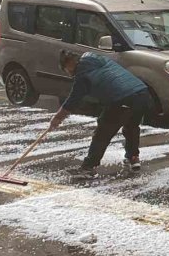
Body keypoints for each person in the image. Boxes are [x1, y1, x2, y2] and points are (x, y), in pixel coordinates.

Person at [49, 51, 151, 180]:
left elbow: (73, 100)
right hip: (142, 93)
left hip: (122, 99)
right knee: (131, 127)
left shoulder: (83, 74)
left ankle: (88, 168)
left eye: (66, 70)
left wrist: (57, 118)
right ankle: (133, 158)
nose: (69, 74)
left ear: (68, 65)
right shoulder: (96, 58)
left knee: (102, 133)